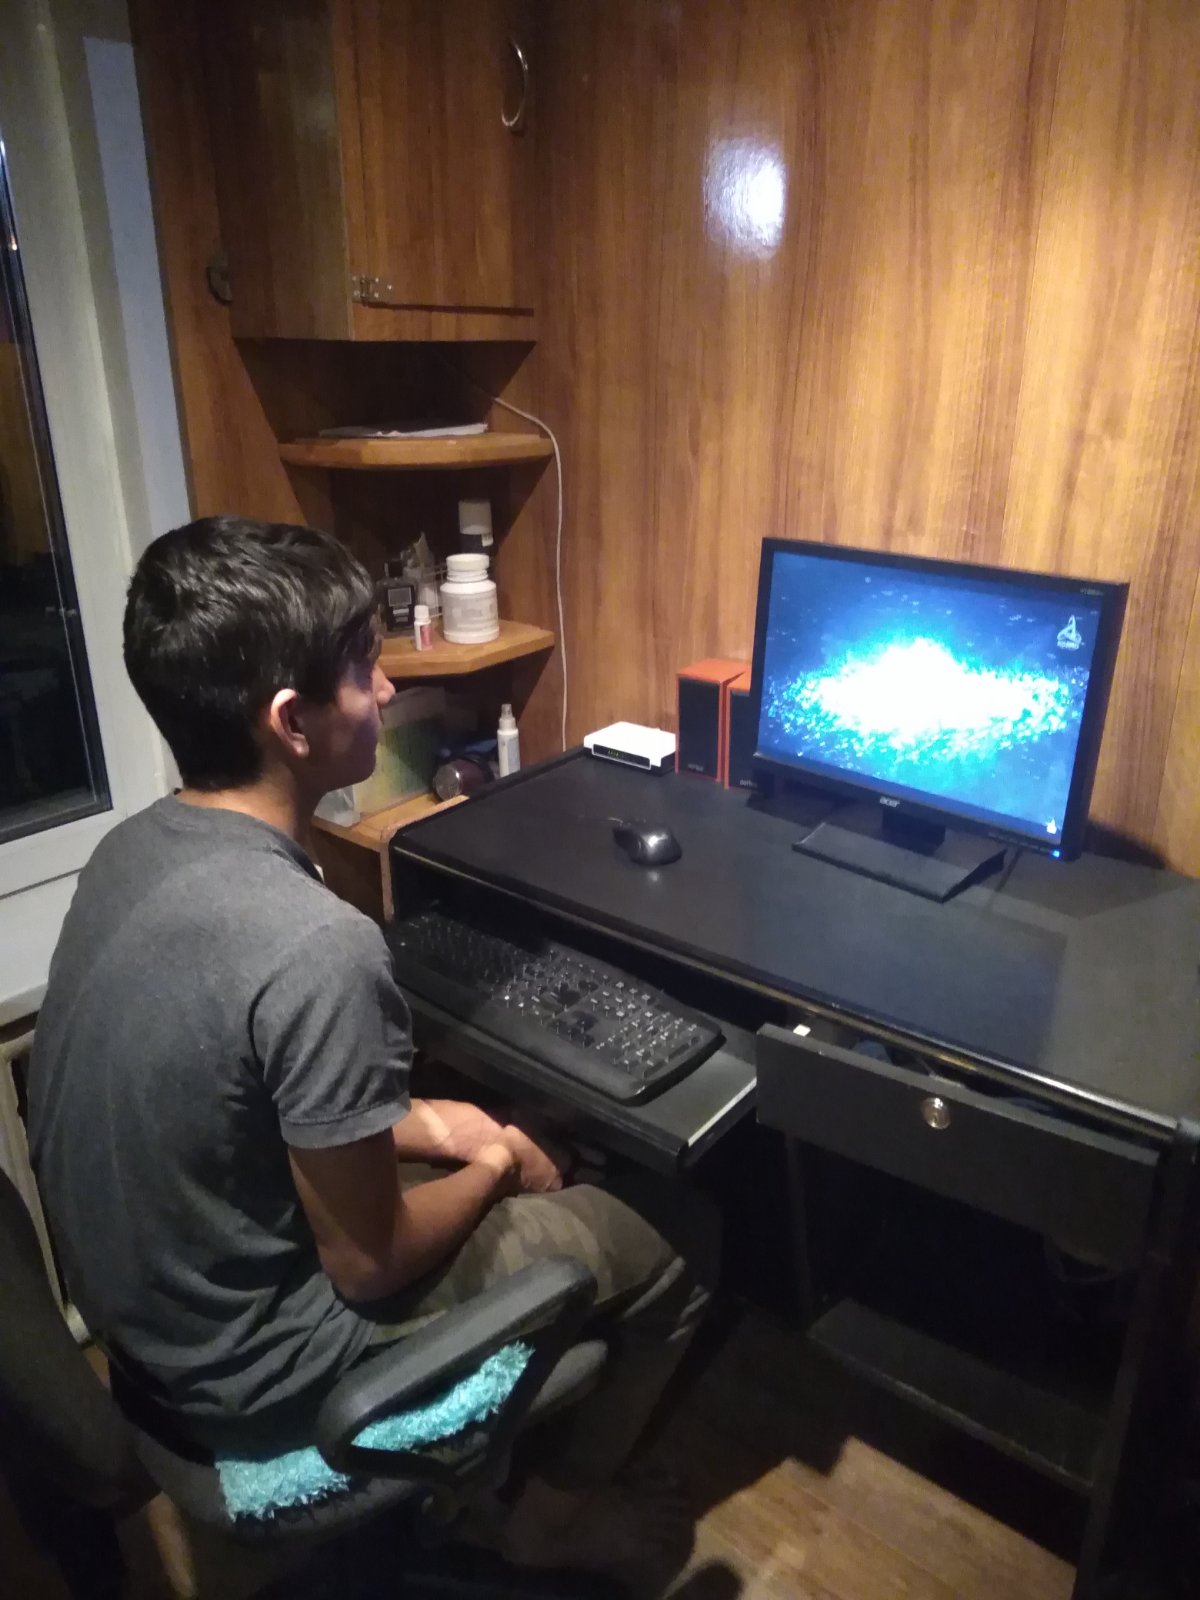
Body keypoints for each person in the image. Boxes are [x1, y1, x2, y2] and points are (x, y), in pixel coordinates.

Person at [26, 516, 718, 1585]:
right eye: (362, 668)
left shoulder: (131, 852)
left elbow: (239, 1094)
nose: (389, 688)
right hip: (271, 1385)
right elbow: (370, 1260)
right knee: (681, 1233)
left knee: (469, 1126)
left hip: (157, 1345)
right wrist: (500, 1160)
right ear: (290, 722)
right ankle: (547, 1520)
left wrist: (439, 1121)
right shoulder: (316, 945)